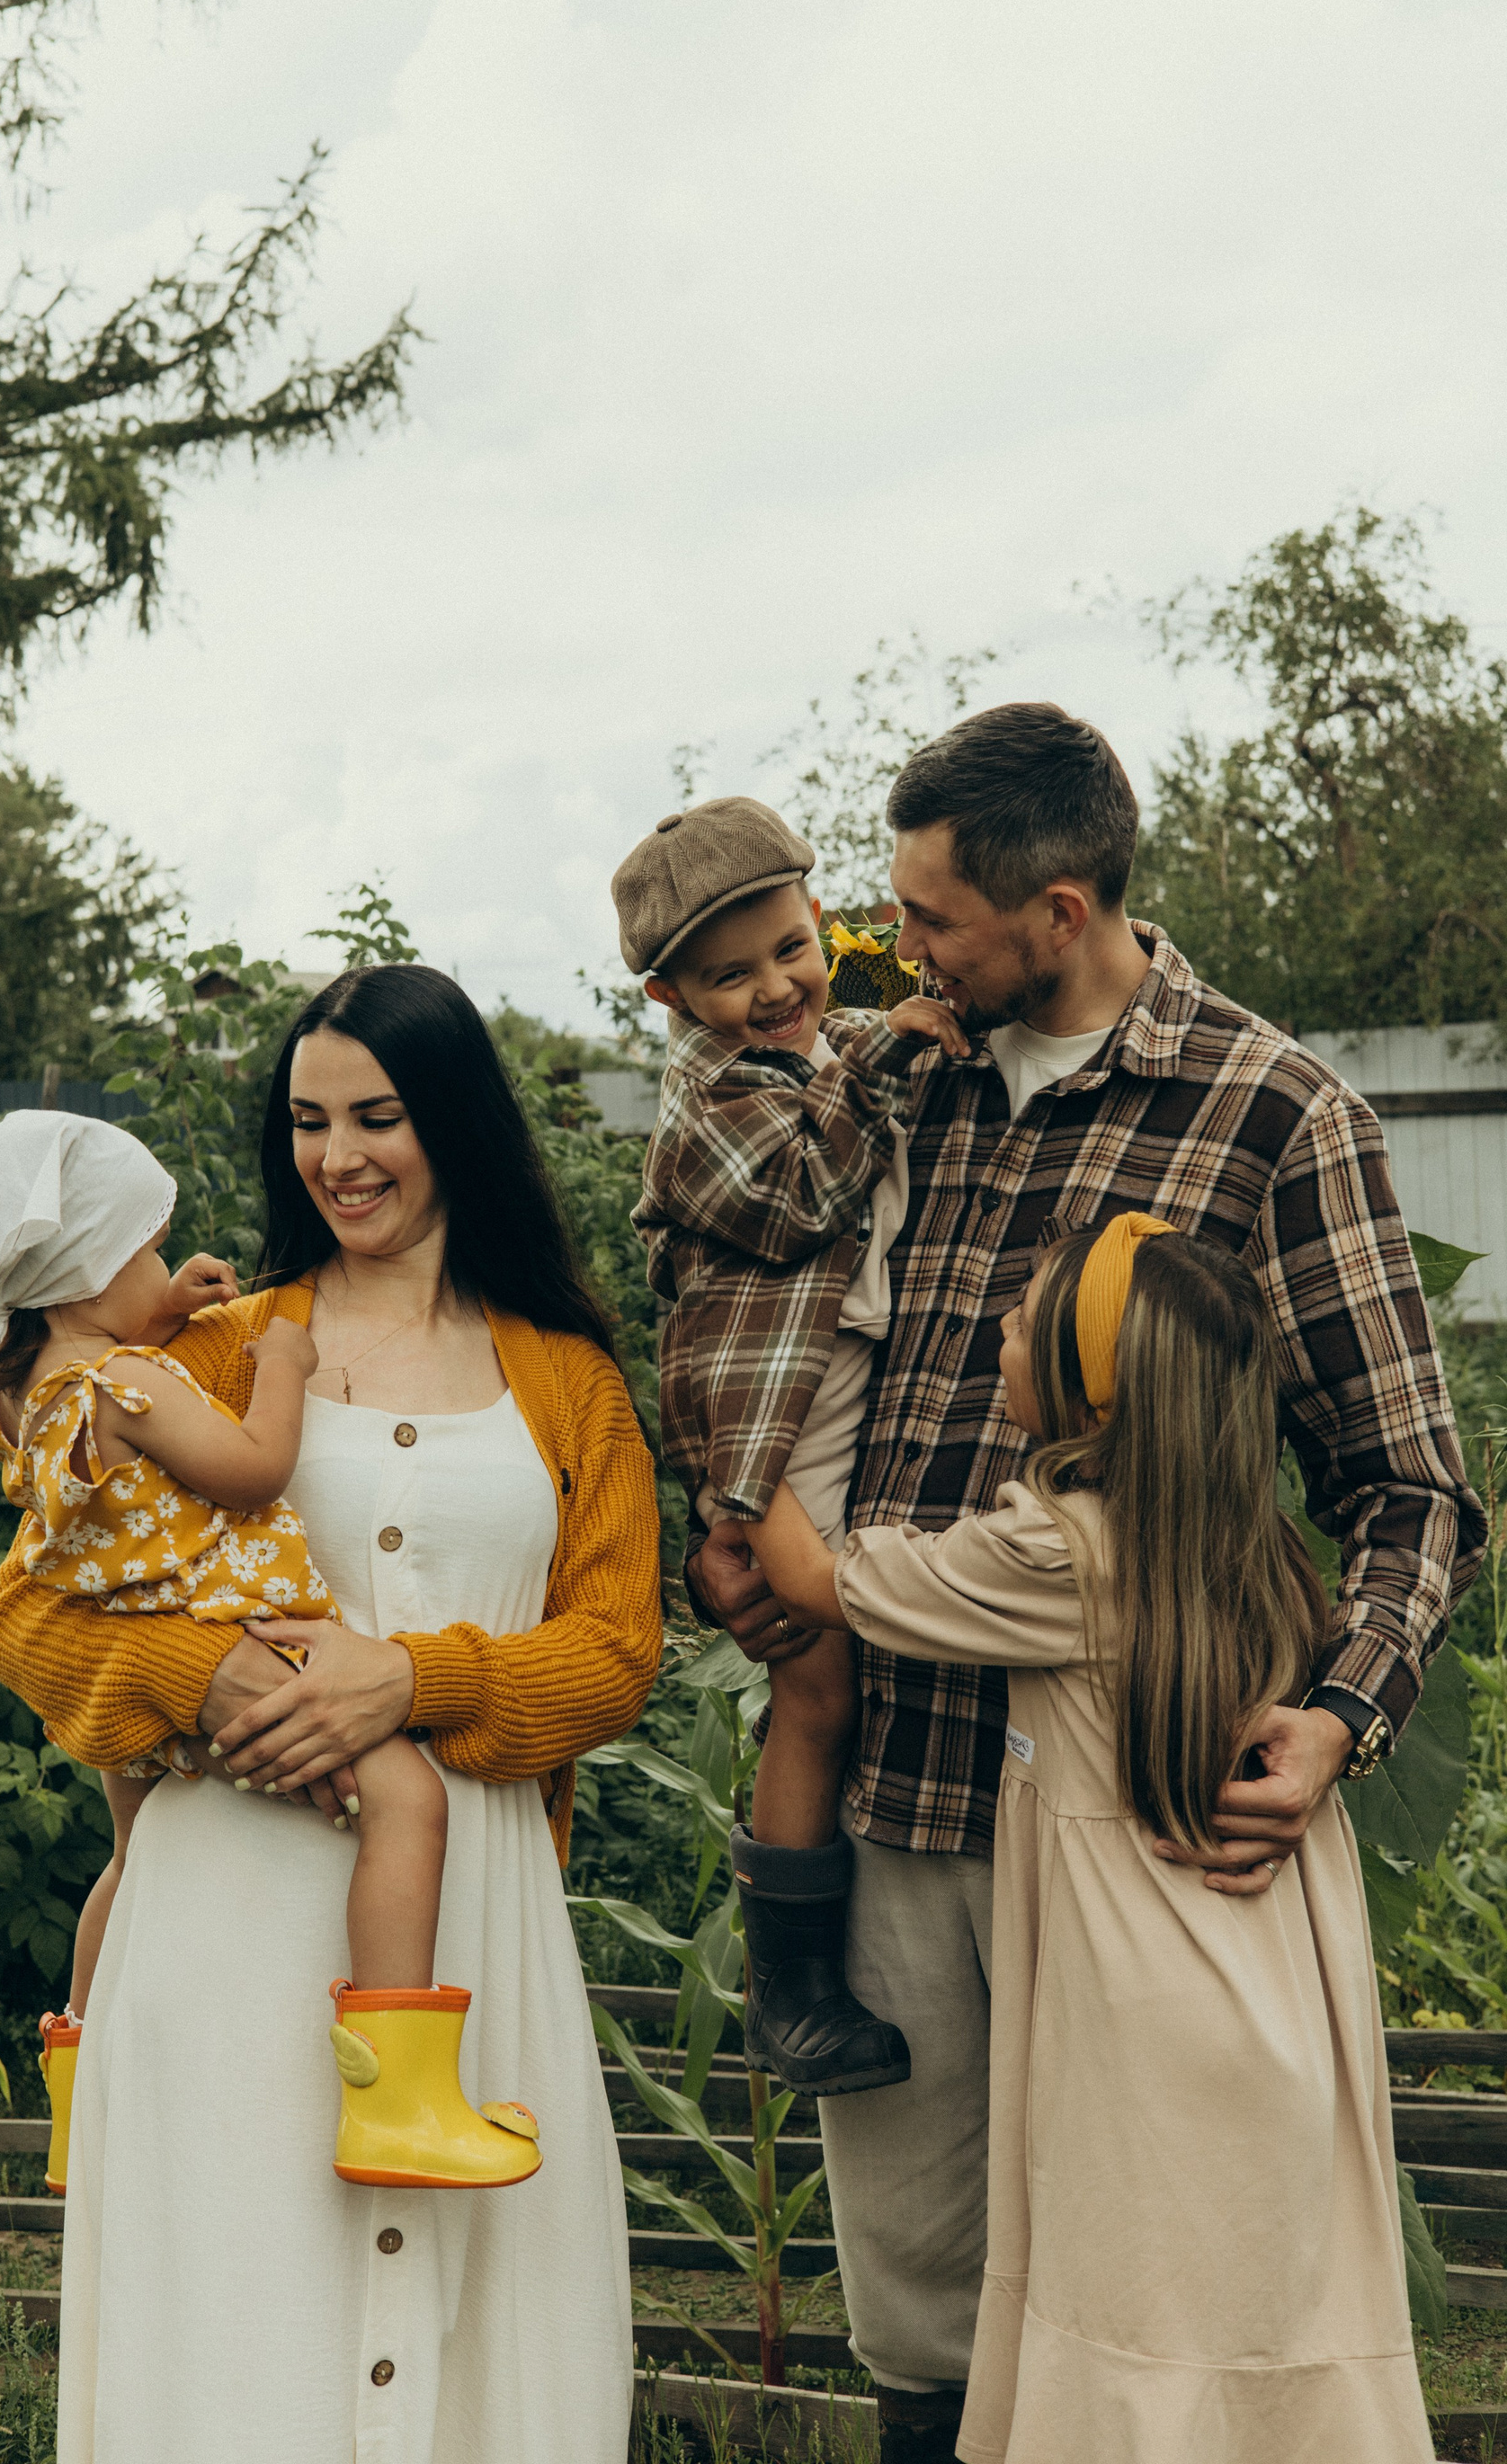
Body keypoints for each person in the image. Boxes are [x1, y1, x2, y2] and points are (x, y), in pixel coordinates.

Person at [688, 702, 1484, 2464]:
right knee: (922, 2309)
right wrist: (732, 1535)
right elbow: (773, 1321)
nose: (901, 949)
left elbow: (1413, 1487)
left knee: (1148, 2298)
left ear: (1060, 910)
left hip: (1141, 1831)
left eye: (937, 920)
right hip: (902, 1784)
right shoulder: (901, 1084)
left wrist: (1342, 1716)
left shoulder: (1276, 1114)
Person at [0, 965, 662, 2464]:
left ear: (455, 1123)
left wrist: (415, 1679)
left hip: (465, 1930)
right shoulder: (213, 1348)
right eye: (306, 1121)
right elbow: (22, 1615)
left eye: (377, 1117)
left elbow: (615, 1656)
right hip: (229, 1927)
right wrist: (202, 1680)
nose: (337, 1156)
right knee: (238, 2358)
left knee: (499, 2372)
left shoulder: (569, 1381)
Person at [756, 1212, 1435, 2463]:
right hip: (1261, 1991)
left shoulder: (1056, 1552)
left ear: (1091, 1387)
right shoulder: (1248, 1549)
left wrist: (739, 1429)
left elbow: (807, 1575)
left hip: (1146, 2013)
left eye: (1022, 1325)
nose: (998, 1335)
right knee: (1243, 2332)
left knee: (1139, 2340)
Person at [0, 1110, 535, 2201]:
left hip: (132, 1663)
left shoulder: (37, 1392)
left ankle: (78, 2106)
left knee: (132, 1860)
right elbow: (254, 1467)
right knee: (409, 1803)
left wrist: (163, 1306)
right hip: (231, 1635)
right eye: (147, 1251)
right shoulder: (136, 1387)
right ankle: (398, 2103)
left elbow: (105, 1392)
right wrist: (283, 1362)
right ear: (88, 1270)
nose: (165, 1268)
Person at [612, 795, 968, 2092]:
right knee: (817, 1683)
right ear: (670, 997)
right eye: (729, 975)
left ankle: (817, 1960)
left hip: (836, 1382)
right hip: (777, 1414)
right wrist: (881, 1061)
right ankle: (791, 1988)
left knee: (845, 1668)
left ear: (821, 923)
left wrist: (908, 1017)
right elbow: (803, 1194)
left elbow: (902, 1016)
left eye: (790, 951)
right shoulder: (707, 1099)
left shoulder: (831, 1030)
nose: (774, 990)